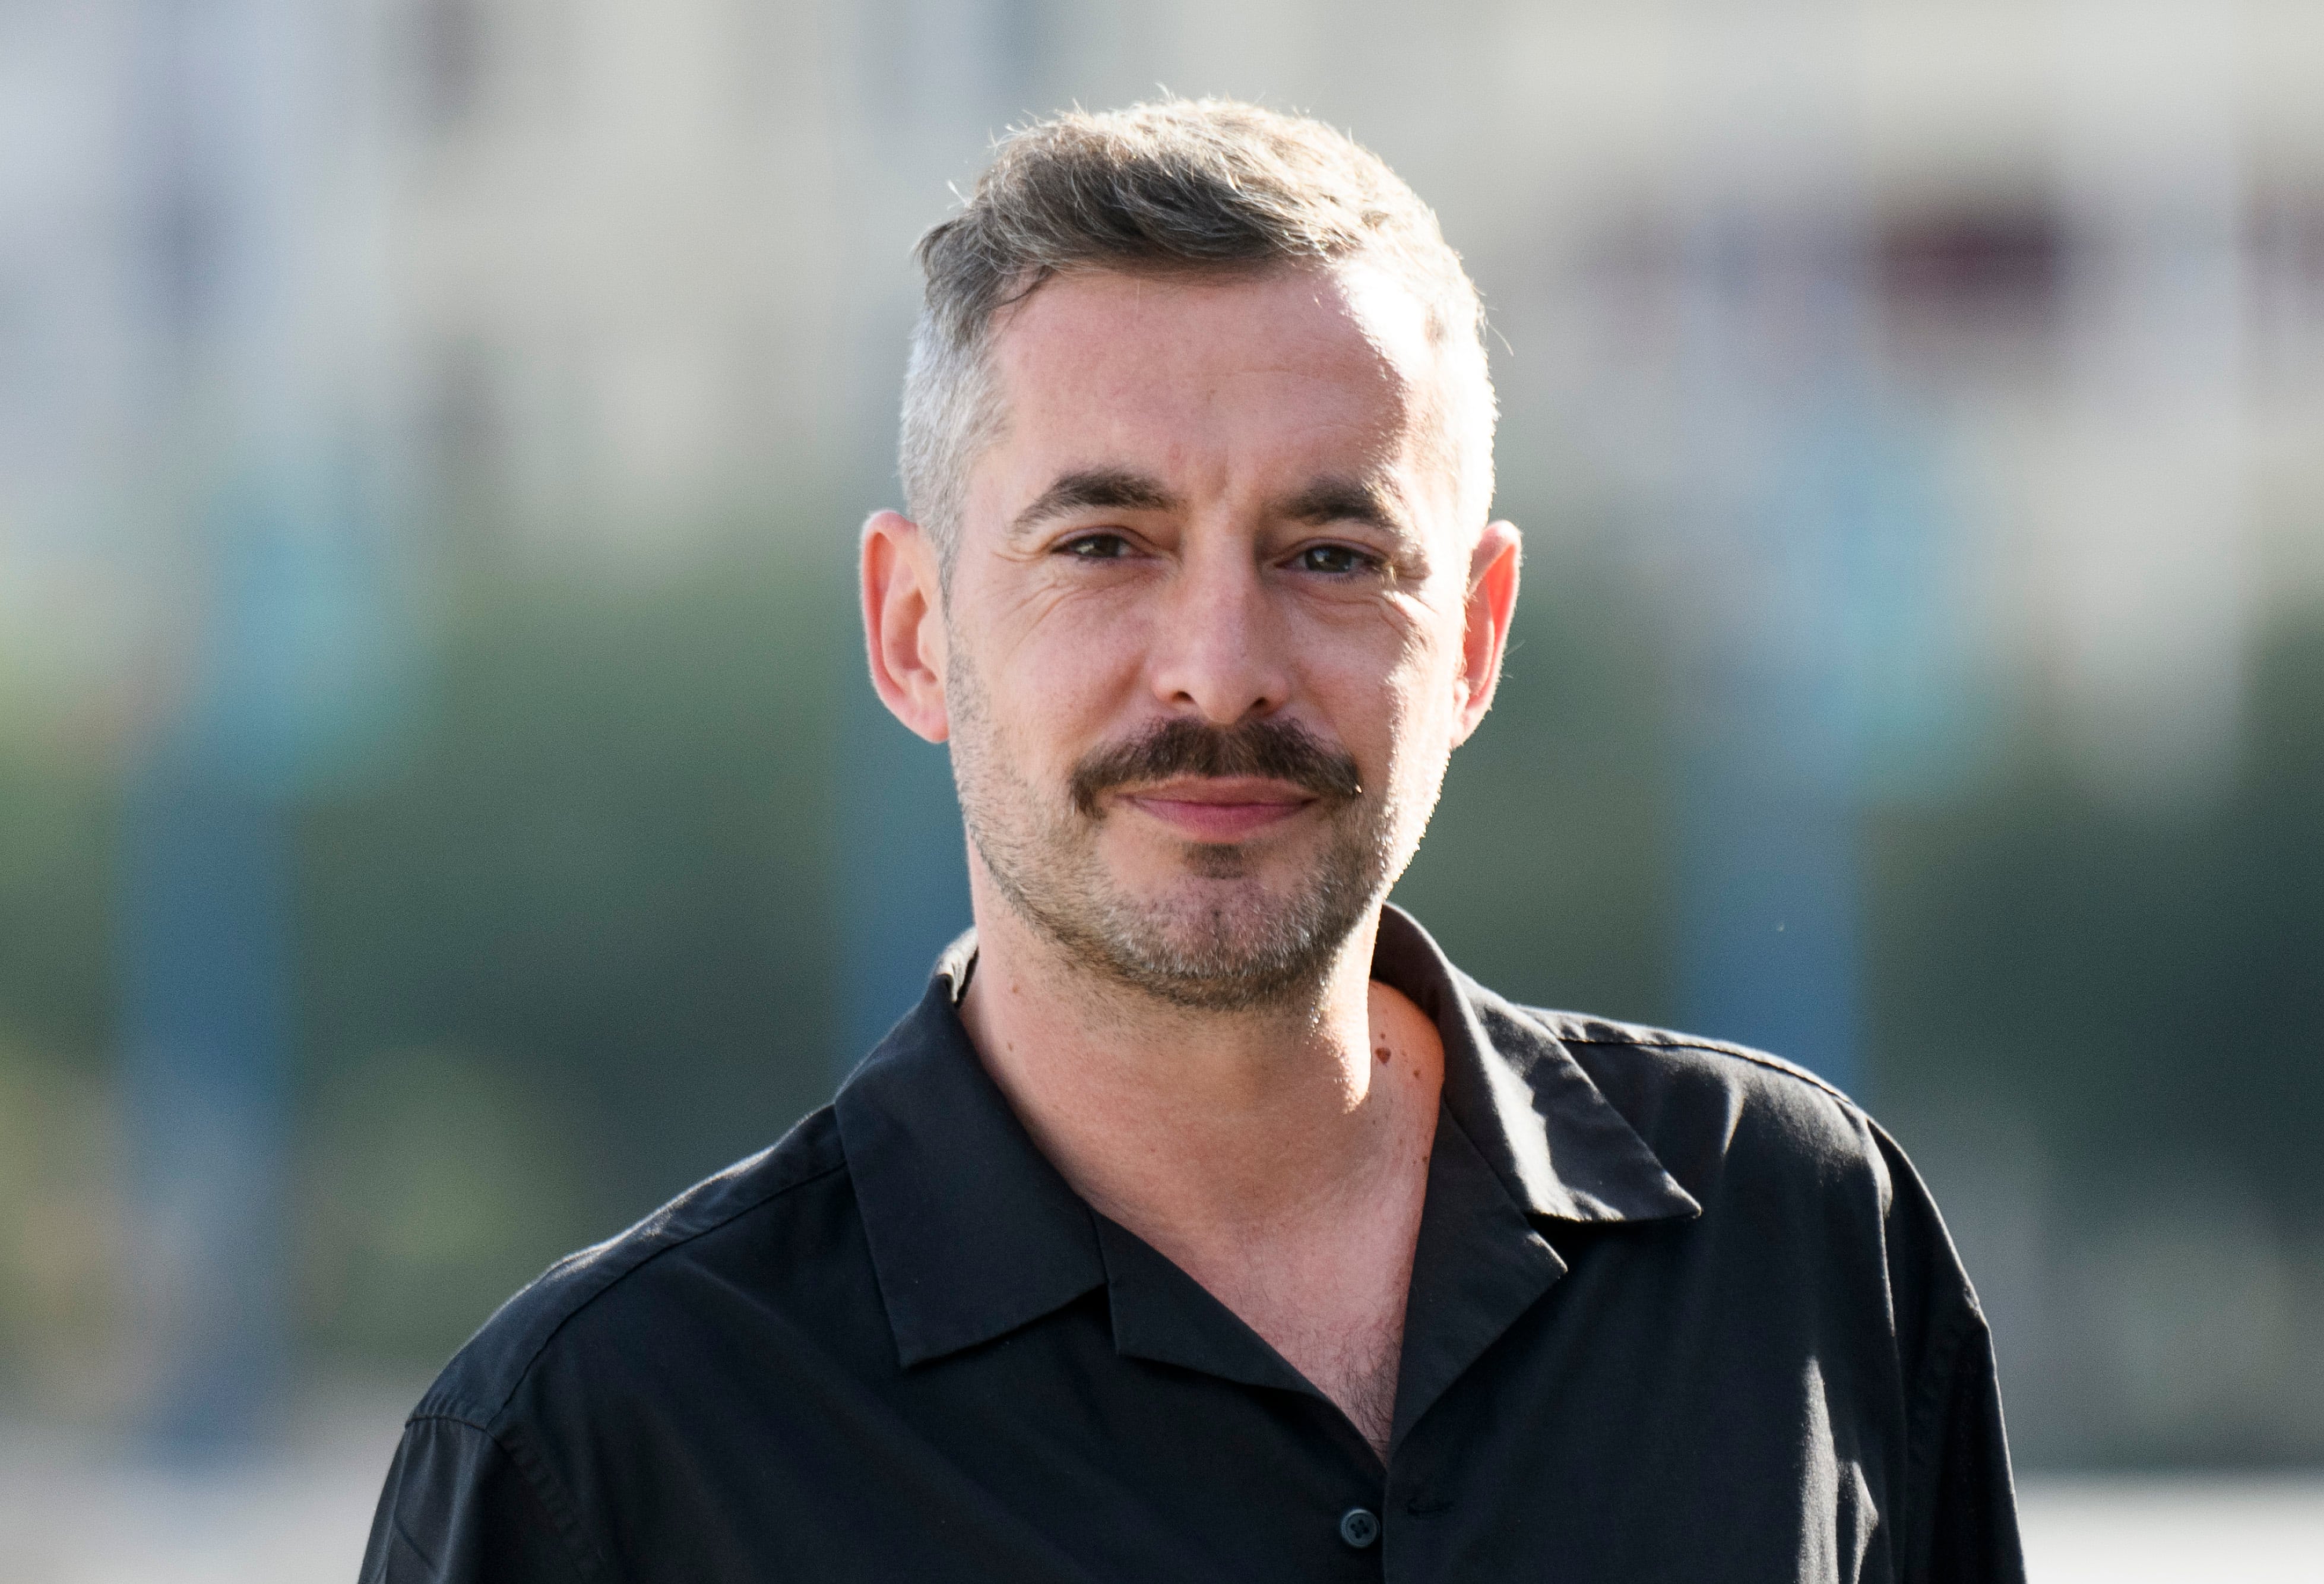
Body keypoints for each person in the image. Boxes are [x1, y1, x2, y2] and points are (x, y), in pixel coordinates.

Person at [361, 99, 2023, 1582]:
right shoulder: (601, 1451)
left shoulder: (1801, 1251)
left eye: (1329, 553)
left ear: (1473, 638)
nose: (1219, 667)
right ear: (915, 630)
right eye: (1105, 543)